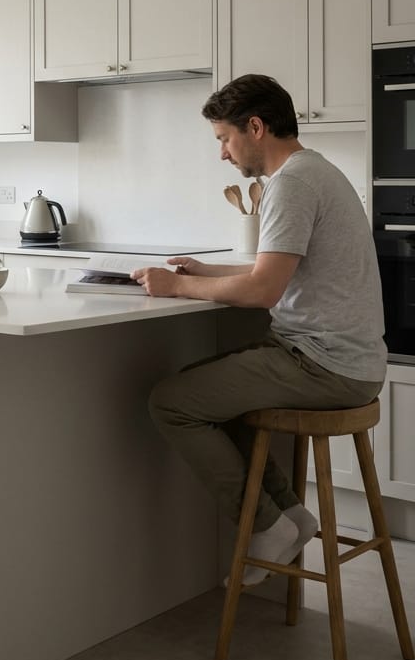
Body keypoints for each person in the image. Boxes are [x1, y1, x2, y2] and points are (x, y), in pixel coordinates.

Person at [133, 74, 386, 585]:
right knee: (212, 391)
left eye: (224, 139)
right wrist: (204, 271)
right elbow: (275, 269)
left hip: (324, 365)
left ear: (255, 127)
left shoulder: (291, 183)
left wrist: (176, 286)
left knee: (172, 402)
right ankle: (290, 516)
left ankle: (266, 526)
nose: (223, 154)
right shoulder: (315, 171)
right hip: (346, 360)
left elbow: (263, 291)